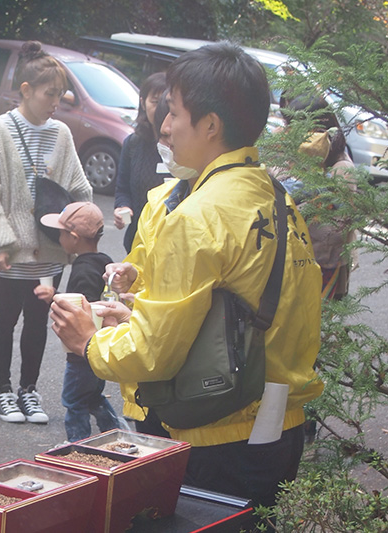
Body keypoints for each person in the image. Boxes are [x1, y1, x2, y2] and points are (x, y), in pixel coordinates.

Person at [50, 42, 324, 508]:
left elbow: (154, 354)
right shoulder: (275, 196)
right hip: (279, 426)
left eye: (174, 112)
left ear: (211, 125)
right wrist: (137, 306)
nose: (165, 126)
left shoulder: (199, 214)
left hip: (216, 432)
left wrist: (89, 342)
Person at [0, 41, 92, 425]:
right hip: (12, 249)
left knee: (39, 319)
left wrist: (80, 225)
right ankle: (2, 391)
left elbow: (78, 187)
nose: (56, 101)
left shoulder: (62, 134)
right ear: (26, 90)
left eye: (60, 94)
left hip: (51, 250)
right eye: (49, 93)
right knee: (6, 316)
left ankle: (29, 391)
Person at [37, 202, 122, 442]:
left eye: (62, 233)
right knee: (93, 396)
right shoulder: (102, 261)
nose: (59, 237)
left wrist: (52, 296)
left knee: (74, 399)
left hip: (81, 353)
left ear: (74, 238)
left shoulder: (82, 270)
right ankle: (116, 435)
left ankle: (78, 444)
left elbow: (81, 308)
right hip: (99, 347)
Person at [275, 95, 356, 301]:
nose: (287, 132)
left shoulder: (341, 168)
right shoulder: (294, 158)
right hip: (292, 263)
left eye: (291, 127)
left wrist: (300, 204)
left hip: (323, 264)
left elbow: (336, 231)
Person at [113, 72, 166, 252]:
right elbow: (123, 189)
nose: (161, 109)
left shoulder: (188, 144)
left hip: (171, 240)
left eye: (167, 103)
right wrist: (123, 207)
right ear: (143, 103)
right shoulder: (134, 144)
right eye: (155, 101)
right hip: (138, 240)